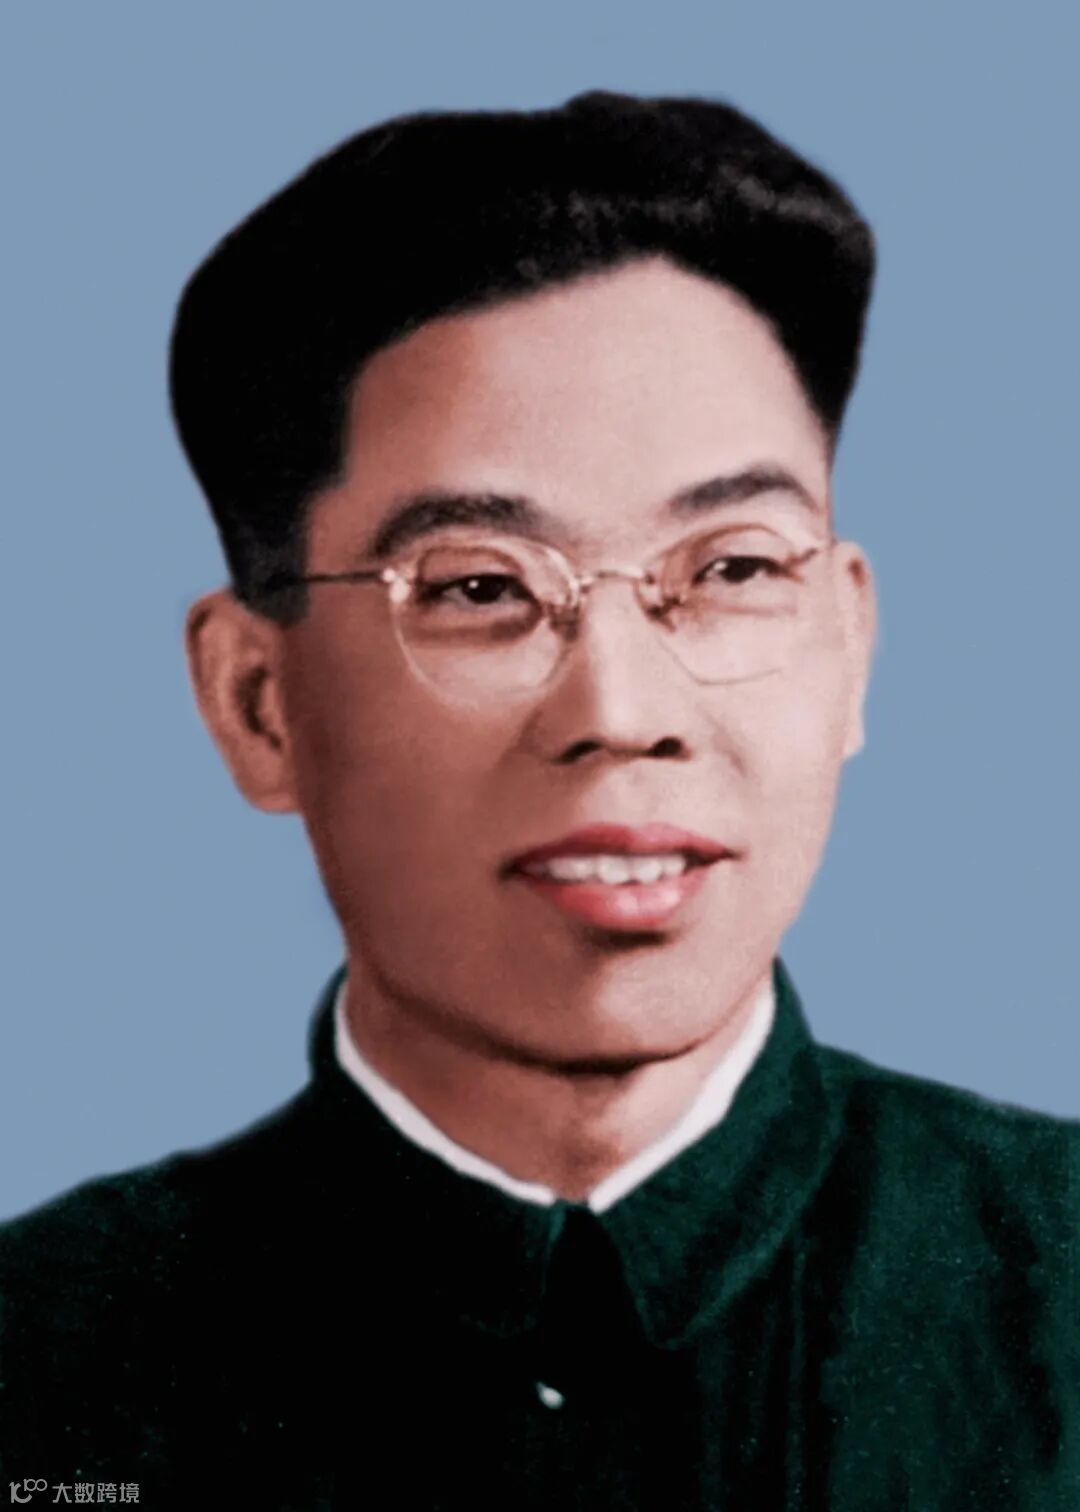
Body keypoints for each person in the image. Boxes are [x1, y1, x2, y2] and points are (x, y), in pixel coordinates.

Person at [0, 90, 1075, 1510]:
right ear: (258, 702)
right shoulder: (36, 1362)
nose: (622, 714)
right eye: (477, 588)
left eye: (734, 569)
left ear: (851, 642)